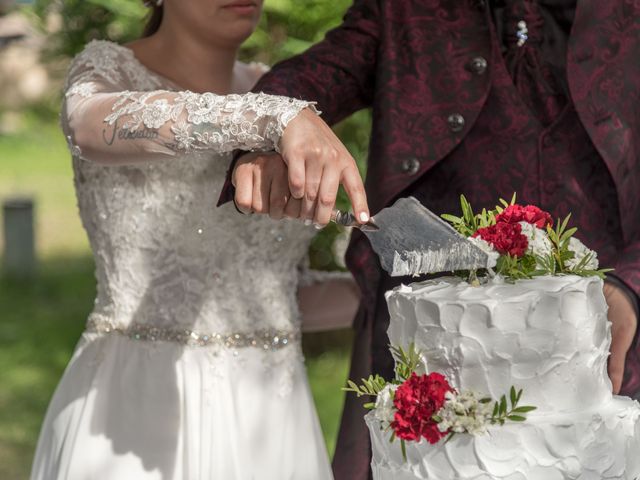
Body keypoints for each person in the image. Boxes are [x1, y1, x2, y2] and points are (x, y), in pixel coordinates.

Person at [222, 1, 640, 478]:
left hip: (608, 347)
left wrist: (630, 286)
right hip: (425, 361)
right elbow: (312, 76)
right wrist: (277, 129)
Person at [30, 0, 359, 478]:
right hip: (140, 407)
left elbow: (263, 291)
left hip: (271, 421)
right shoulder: (108, 70)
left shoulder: (275, 91)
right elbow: (89, 125)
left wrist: (384, 288)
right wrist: (267, 118)